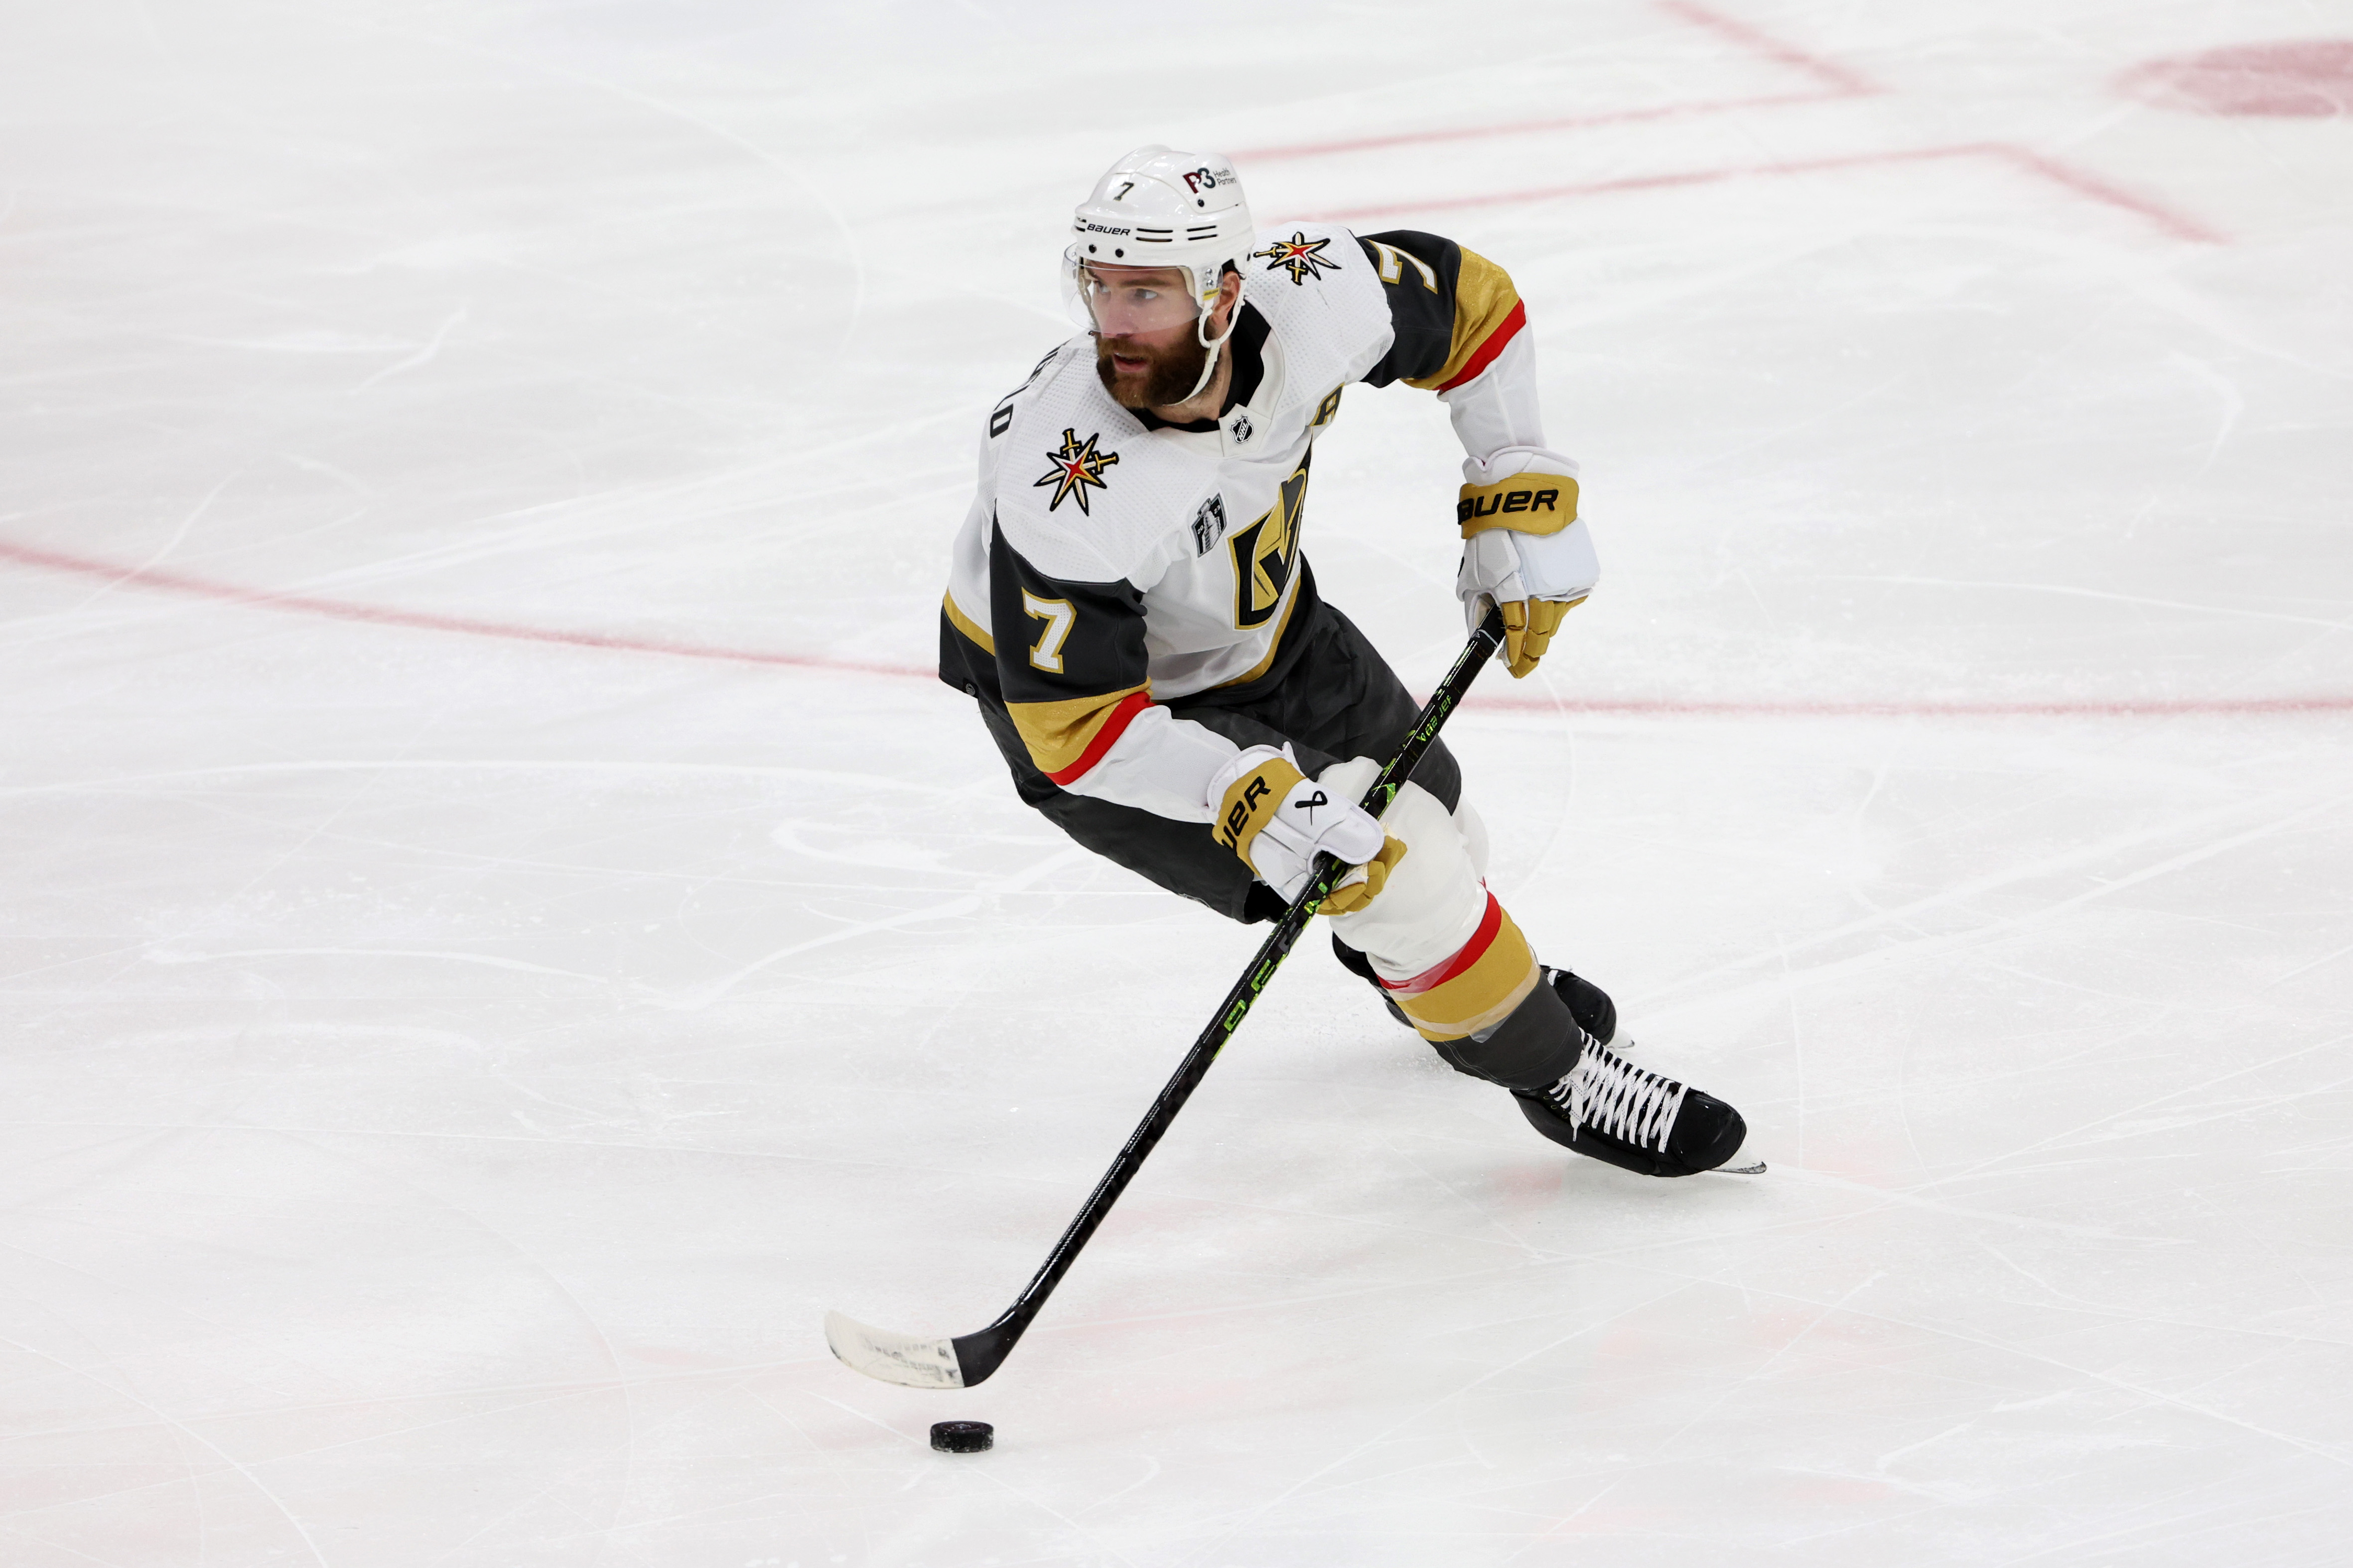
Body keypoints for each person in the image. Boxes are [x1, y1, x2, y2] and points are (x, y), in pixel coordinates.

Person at [938, 146, 1748, 1178]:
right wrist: (1240, 789)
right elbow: (1075, 729)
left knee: (1443, 816)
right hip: (1106, 717)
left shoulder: (1313, 297)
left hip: (1270, 630)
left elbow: (1475, 309)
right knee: (1395, 860)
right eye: (1098, 286)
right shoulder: (1070, 489)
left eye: (1146, 289)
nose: (1115, 320)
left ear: (1226, 292)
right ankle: (1558, 1074)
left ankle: (1443, 978)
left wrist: (1513, 477)